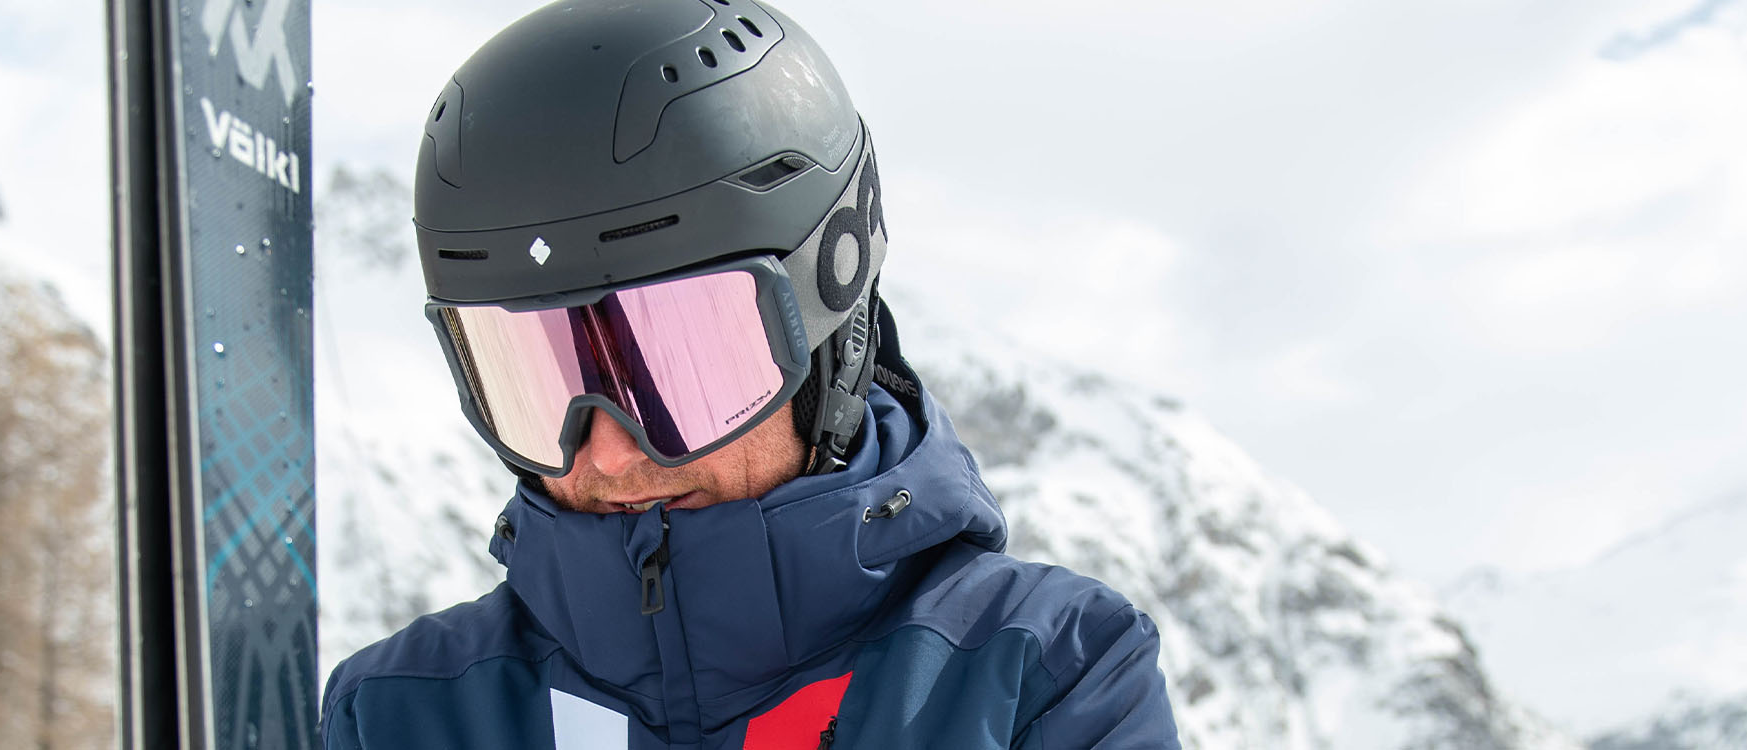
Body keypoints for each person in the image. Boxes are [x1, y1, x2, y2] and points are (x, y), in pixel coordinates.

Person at [316, 1, 1179, 747]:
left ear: (827, 341)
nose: (608, 453)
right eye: (535, 381)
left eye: (675, 365)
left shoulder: (1045, 678)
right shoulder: (401, 715)